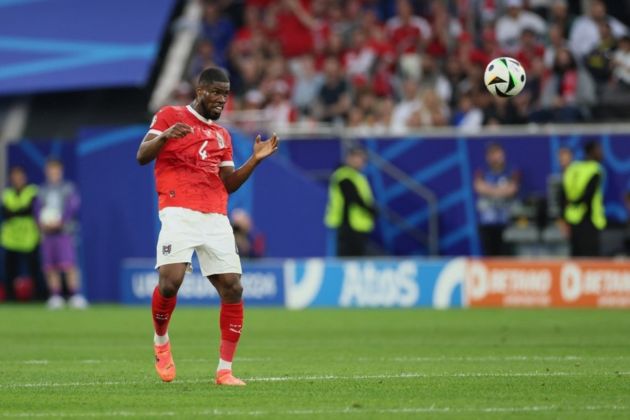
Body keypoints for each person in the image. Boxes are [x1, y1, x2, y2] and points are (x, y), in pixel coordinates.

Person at [136, 67, 279, 386]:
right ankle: (161, 342)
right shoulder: (169, 115)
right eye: (215, 92)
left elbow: (228, 183)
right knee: (170, 282)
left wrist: (254, 160)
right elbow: (142, 156)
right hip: (177, 210)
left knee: (233, 287)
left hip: (215, 215)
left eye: (225, 94)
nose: (220, 100)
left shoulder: (222, 135)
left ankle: (224, 370)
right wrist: (163, 137)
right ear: (199, 91)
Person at [36, 159, 86, 309]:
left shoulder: (67, 188)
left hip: (64, 232)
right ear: (47, 172)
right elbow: (37, 209)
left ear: (61, 172)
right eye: (51, 171)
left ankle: (75, 295)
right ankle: (55, 296)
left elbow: (72, 207)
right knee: (50, 267)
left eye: (56, 171)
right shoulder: (42, 190)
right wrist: (42, 223)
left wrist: (61, 221)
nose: (53, 174)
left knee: (69, 264)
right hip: (47, 234)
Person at [325, 147, 377, 257]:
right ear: (349, 159)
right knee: (347, 259)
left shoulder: (358, 176)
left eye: (362, 159)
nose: (361, 162)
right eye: (357, 158)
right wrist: (371, 210)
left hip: (359, 225)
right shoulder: (343, 175)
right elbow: (352, 197)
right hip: (347, 225)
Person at [1, 166, 43, 301]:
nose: (17, 179)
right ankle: (10, 297)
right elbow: (6, 213)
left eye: (19, 176)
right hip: (11, 239)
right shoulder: (7, 193)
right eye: (14, 177)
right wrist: (20, 211)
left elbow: (30, 210)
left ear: (24, 177)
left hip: (29, 238)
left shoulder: (32, 191)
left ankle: (38, 296)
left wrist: (15, 212)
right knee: (10, 271)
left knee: (34, 270)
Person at [474, 143, 520, 256]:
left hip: (506, 222)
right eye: (491, 154)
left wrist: (490, 190)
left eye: (497, 153)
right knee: (489, 255)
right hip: (487, 222)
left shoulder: (511, 172)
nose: (495, 157)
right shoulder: (482, 172)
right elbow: (479, 187)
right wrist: (500, 191)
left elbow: (512, 189)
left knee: (506, 255)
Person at [561, 141, 606, 257]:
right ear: (591, 152)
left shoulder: (572, 169)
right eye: (598, 150)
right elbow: (588, 195)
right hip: (589, 219)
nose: (601, 153)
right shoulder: (595, 170)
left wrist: (564, 217)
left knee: (576, 256)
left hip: (572, 218)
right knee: (590, 259)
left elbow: (563, 194)